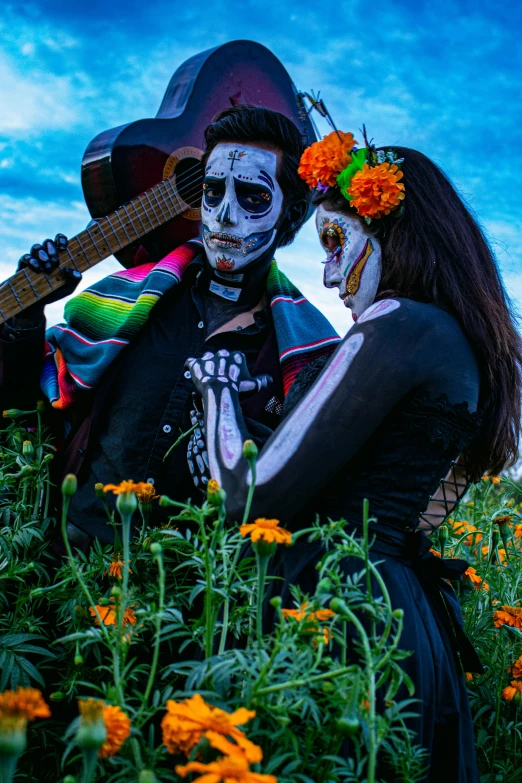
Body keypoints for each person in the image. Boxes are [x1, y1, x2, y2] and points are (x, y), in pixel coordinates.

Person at [184, 129, 522, 781]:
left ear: (393, 234)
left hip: (347, 613)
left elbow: (245, 495)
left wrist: (218, 389)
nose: (330, 274)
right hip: (402, 616)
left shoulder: (395, 320)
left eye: (338, 244)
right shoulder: (454, 341)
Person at [0, 106, 340, 547]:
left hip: (187, 597)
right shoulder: (129, 302)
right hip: (70, 570)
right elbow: (26, 403)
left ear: (292, 214)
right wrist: (26, 315)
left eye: (253, 197)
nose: (225, 215)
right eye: (213, 192)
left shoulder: (306, 354)